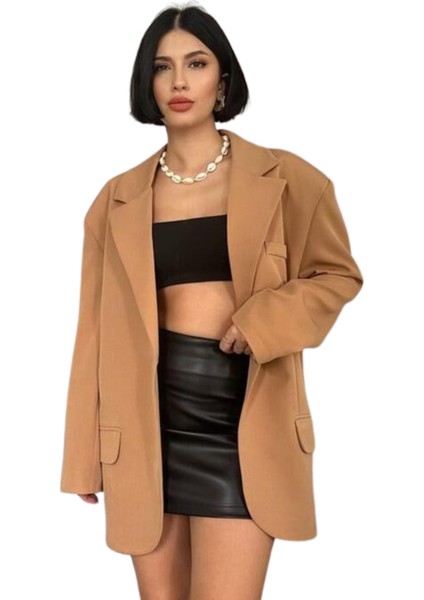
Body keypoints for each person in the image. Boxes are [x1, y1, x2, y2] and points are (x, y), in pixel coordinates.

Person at [60, 4, 364, 599]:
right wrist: (83, 456)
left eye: (196, 64)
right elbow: (92, 333)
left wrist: (264, 322)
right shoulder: (115, 200)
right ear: (147, 83)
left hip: (242, 423)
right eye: (162, 67)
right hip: (147, 426)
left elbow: (337, 275)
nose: (179, 81)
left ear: (222, 80)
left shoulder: (289, 178)